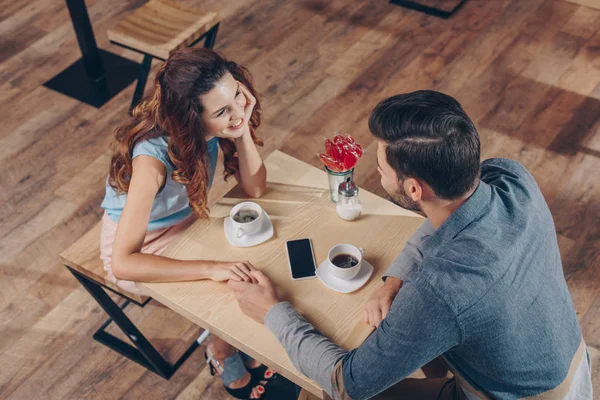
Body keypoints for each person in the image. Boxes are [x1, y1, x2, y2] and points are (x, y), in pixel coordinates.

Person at [228, 90, 593, 399]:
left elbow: (349, 382)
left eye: (382, 171)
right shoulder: (511, 177)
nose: (379, 174)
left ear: (414, 189)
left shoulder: (441, 290)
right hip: (571, 363)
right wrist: (395, 280)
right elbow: (442, 225)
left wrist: (273, 311)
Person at [100, 47, 293, 399]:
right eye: (222, 111)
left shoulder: (217, 123)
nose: (236, 112)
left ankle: (235, 340)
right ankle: (221, 351)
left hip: (186, 220)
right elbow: (123, 262)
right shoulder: (151, 162)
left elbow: (255, 188)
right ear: (191, 118)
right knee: (227, 283)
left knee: (254, 255)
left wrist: (241, 125)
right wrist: (211, 267)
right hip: (141, 244)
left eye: (238, 95)